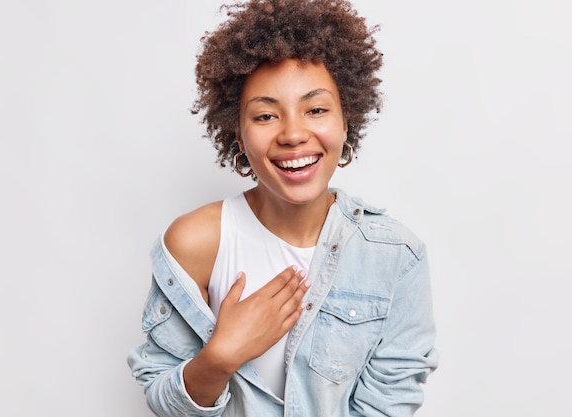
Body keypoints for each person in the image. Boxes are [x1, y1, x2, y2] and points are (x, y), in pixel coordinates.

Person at [127, 0, 438, 416]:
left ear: (346, 121)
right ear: (238, 134)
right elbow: (164, 401)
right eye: (266, 115)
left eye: (316, 109)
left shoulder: (397, 257)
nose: (293, 134)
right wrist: (220, 357)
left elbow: (389, 405)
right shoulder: (197, 243)